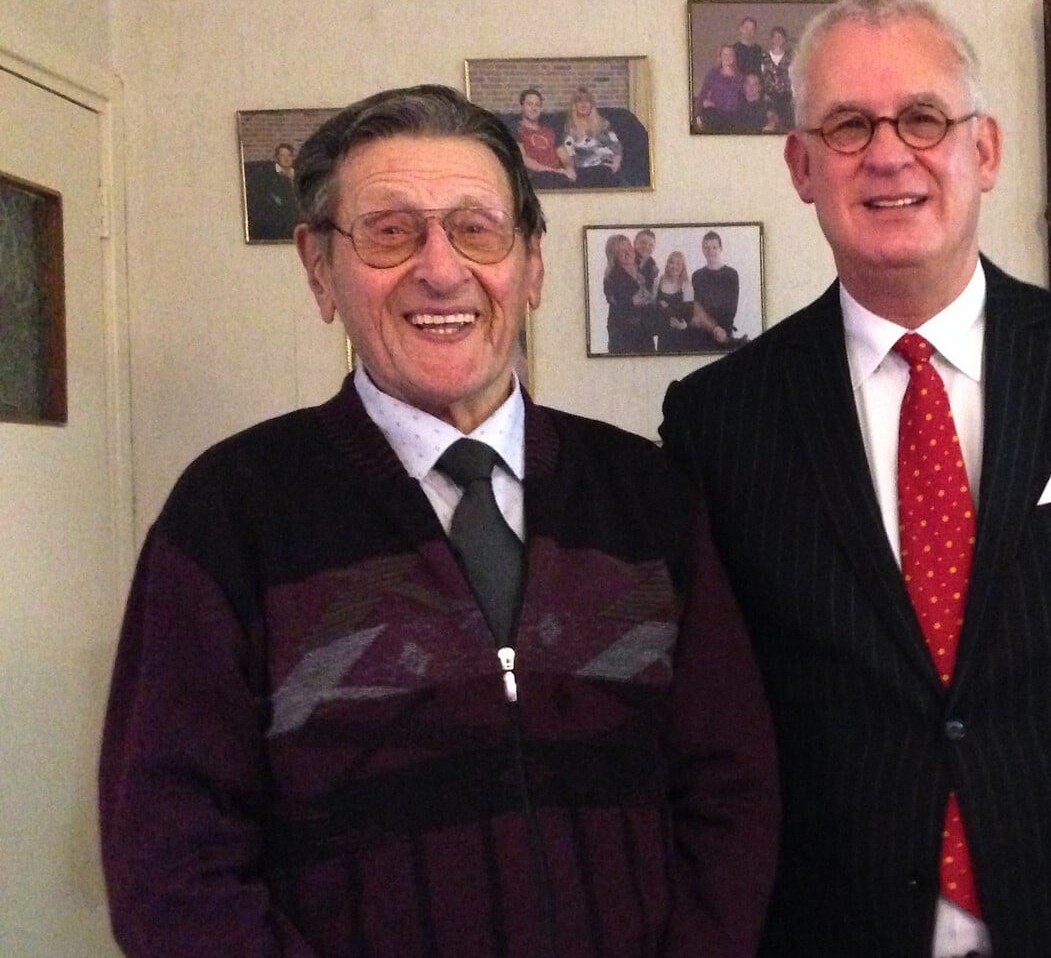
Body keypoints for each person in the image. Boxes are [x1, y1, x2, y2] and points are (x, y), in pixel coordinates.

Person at [99, 84, 779, 957]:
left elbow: (732, 794)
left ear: (530, 266)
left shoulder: (648, 500)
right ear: (318, 268)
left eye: (476, 228)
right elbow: (171, 865)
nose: (441, 268)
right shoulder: (231, 517)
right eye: (390, 231)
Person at [659, 0, 1051, 957]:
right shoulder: (720, 418)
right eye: (848, 125)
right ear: (802, 166)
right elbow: (716, 734)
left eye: (924, 117)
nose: (889, 152)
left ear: (985, 149)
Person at [562, 86, 625, 189]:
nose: (583, 105)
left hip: (605, 167)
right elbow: (568, 151)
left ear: (592, 105)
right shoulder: (569, 128)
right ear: (575, 106)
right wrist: (570, 168)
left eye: (587, 101)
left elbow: (616, 146)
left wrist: (616, 163)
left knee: (605, 173)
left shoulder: (603, 124)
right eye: (579, 101)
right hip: (583, 169)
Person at [512, 87, 574, 189]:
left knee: (598, 173)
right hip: (535, 176)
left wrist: (570, 168)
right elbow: (523, 159)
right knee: (547, 178)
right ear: (522, 106)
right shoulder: (516, 129)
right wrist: (552, 171)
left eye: (537, 105)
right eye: (529, 104)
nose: (534, 108)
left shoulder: (550, 130)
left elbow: (564, 154)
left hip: (558, 175)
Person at [603, 231, 655, 353]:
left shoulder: (647, 266)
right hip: (622, 336)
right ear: (614, 256)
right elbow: (617, 303)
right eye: (621, 251)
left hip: (645, 333)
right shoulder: (611, 278)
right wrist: (634, 300)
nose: (627, 253)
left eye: (628, 247)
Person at [689, 229, 741, 345]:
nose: (710, 251)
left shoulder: (731, 274)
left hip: (723, 333)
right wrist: (697, 320)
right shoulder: (697, 275)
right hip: (701, 332)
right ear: (702, 249)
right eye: (706, 247)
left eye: (714, 247)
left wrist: (721, 331)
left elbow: (731, 307)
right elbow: (695, 305)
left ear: (720, 248)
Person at [246, 142, 302, 240]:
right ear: (277, 158)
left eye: (289, 155)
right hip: (280, 217)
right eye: (282, 155)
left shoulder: (299, 175)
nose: (286, 158)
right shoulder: (268, 176)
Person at [655, 249, 700, 352]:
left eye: (678, 264)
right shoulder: (657, 282)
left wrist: (683, 325)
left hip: (682, 338)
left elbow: (689, 315)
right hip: (663, 338)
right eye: (672, 262)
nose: (674, 266)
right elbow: (653, 309)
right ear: (667, 264)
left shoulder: (687, 286)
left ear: (683, 268)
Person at [696, 44, 747, 132]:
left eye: (730, 54)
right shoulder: (713, 74)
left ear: (734, 57)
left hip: (733, 116)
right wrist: (699, 112)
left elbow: (744, 98)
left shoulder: (741, 77)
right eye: (724, 54)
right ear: (720, 57)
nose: (727, 57)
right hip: (715, 115)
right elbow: (703, 94)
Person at [762, 25, 795, 130]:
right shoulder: (763, 58)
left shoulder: (791, 58)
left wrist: (794, 96)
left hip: (786, 96)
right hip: (769, 97)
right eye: (775, 37)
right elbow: (760, 77)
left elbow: (794, 78)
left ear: (784, 40)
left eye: (780, 37)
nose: (777, 40)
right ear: (771, 39)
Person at [729, 16, 768, 84]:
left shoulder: (758, 50)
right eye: (746, 28)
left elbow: (760, 72)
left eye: (751, 29)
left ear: (755, 31)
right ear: (740, 29)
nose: (748, 32)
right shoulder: (733, 50)